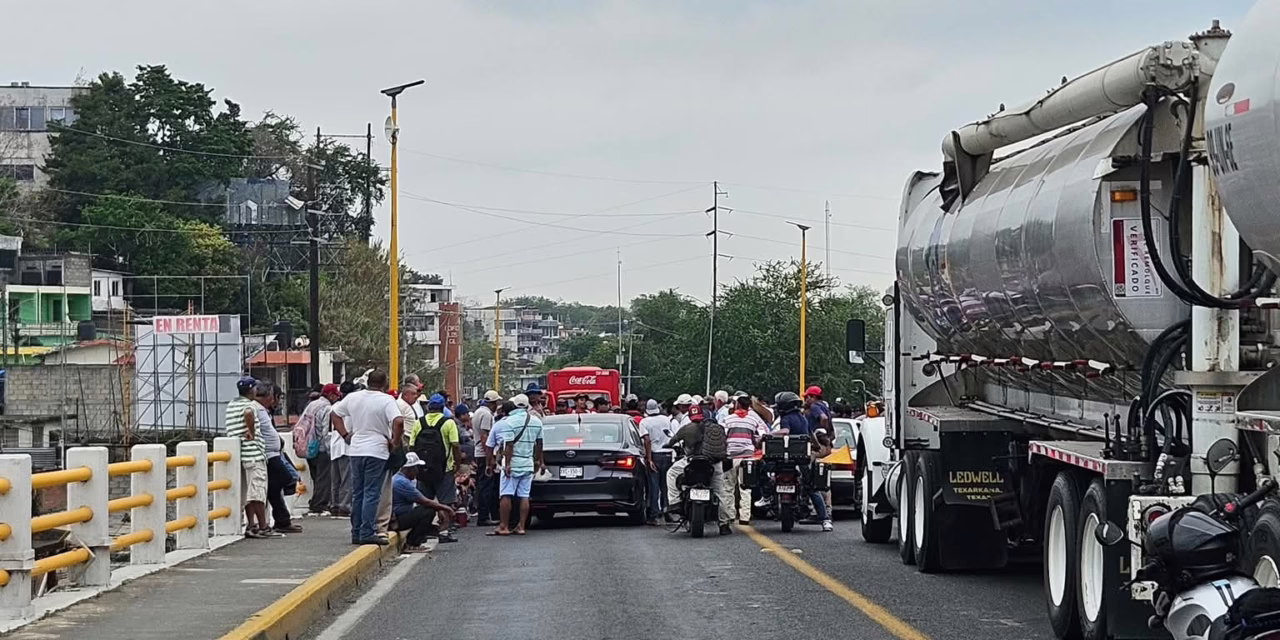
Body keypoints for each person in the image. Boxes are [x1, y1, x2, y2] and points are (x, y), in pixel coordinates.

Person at [331, 370, 404, 546]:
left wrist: (345, 434)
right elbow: (399, 421)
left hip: (356, 449)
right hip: (377, 450)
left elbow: (334, 413)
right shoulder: (387, 400)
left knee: (358, 493)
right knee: (372, 493)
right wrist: (394, 441)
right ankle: (367, 531)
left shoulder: (354, 397)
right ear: (385, 383)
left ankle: (356, 532)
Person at [664, 404, 734, 535]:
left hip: (692, 461)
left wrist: (668, 444)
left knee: (671, 473)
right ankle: (724, 524)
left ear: (690, 416)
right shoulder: (717, 428)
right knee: (720, 492)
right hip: (714, 464)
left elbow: (672, 441)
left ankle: (674, 502)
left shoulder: (687, 428)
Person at [773, 390, 833, 532]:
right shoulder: (802, 417)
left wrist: (768, 435)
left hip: (784, 459)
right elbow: (810, 434)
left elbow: (785, 432)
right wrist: (816, 446)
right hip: (802, 458)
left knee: (767, 473)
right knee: (812, 488)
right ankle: (825, 520)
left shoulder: (785, 419)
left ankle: (767, 497)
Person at [226, 376, 273, 538]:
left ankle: (251, 525)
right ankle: (263, 526)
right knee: (258, 492)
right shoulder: (249, 405)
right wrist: (251, 432)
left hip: (241, 454)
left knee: (247, 493)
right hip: (253, 453)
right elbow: (248, 413)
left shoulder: (232, 404)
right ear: (251, 390)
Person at [492, 394, 544, 536]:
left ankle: (504, 526)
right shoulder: (537, 421)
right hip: (528, 463)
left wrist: (508, 464)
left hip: (513, 462)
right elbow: (539, 444)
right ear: (527, 406)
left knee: (506, 494)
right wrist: (539, 461)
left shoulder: (509, 422)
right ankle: (521, 526)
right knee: (524, 495)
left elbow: (509, 445)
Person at [414, 394, 463, 541]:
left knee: (424, 501)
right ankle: (443, 532)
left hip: (423, 468)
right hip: (444, 468)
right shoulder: (448, 423)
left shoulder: (419, 422)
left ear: (429, 408)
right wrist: (457, 463)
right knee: (445, 501)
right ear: (443, 408)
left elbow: (411, 446)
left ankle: (424, 531)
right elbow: (455, 445)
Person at [256, 383, 301, 534]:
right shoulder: (256, 409)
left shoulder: (265, 411)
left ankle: (282, 519)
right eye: (276, 397)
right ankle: (281, 518)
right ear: (269, 396)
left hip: (275, 452)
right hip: (269, 454)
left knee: (276, 487)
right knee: (287, 478)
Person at [392, 452, 457, 551]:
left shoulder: (401, 479)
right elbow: (424, 501)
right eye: (416, 468)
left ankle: (426, 534)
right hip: (397, 518)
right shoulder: (402, 482)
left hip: (400, 514)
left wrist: (439, 508)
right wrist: (446, 508)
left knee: (428, 515)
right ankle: (411, 543)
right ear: (408, 469)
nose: (417, 471)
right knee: (428, 512)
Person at [725, 394, 773, 525]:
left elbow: (722, 436)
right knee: (745, 488)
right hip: (748, 457)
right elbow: (763, 434)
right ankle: (744, 517)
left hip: (731, 456)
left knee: (729, 487)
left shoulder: (728, 419)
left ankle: (730, 515)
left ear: (737, 405)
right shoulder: (753, 420)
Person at [302, 384, 340, 515]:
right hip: (321, 447)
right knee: (324, 478)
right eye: (336, 395)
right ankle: (319, 504)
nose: (336, 398)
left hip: (309, 446)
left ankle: (314, 502)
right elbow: (326, 431)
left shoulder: (312, 404)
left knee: (315, 477)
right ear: (330, 395)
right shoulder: (328, 408)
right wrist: (330, 450)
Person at [638, 399, 673, 525]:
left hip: (655, 455)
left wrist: (649, 458)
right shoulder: (666, 419)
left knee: (654, 486)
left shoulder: (644, 422)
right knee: (666, 486)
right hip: (668, 454)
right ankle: (667, 511)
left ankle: (654, 515)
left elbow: (646, 440)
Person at [472, 391, 501, 526]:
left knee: (482, 485)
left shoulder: (478, 412)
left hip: (479, 453)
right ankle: (484, 516)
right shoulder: (486, 415)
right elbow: (485, 438)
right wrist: (490, 458)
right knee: (486, 486)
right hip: (484, 454)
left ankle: (485, 515)